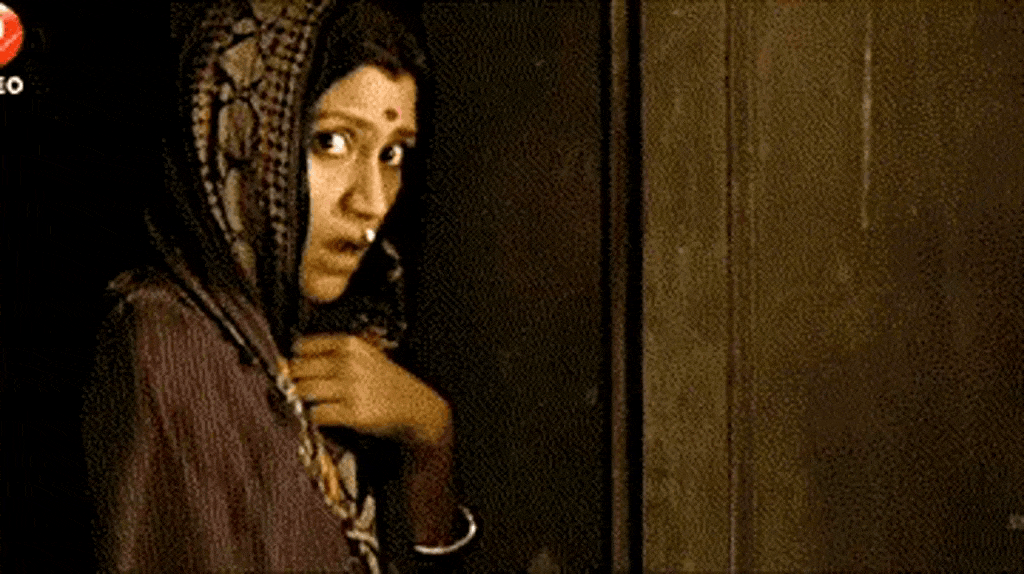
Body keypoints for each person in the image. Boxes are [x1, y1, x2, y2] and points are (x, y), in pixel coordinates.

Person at [82, 1, 475, 572]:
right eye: (332, 142)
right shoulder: (167, 343)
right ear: (243, 138)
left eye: (391, 154)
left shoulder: (334, 336)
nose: (371, 201)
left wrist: (431, 440)